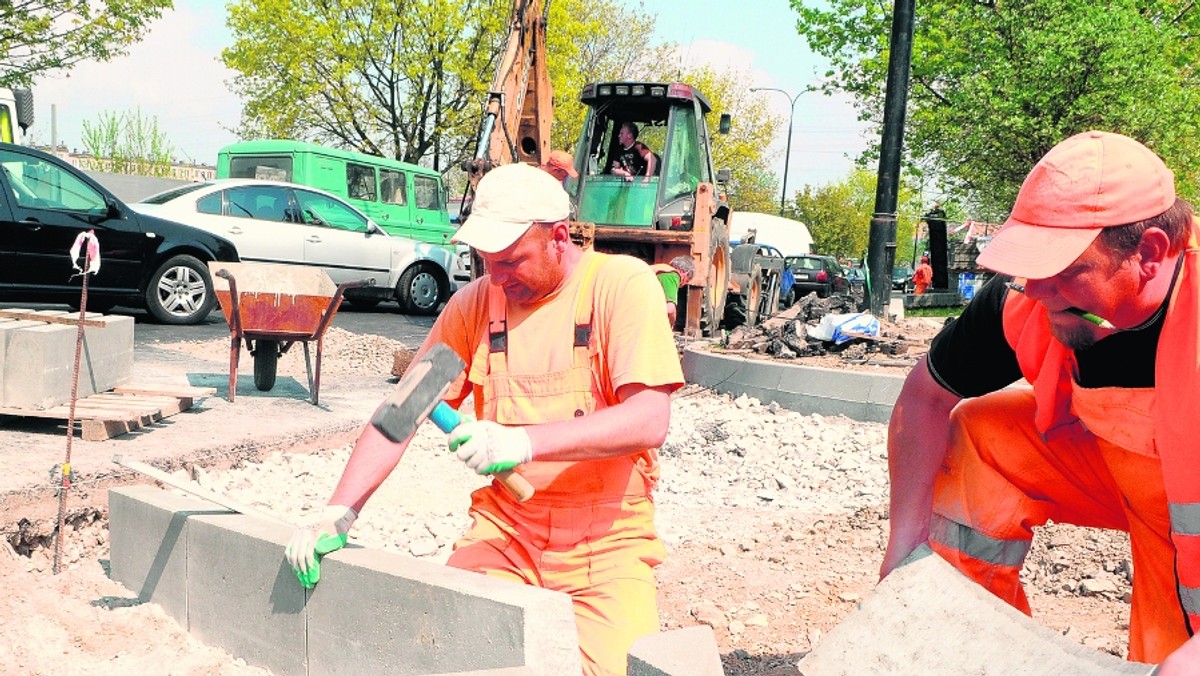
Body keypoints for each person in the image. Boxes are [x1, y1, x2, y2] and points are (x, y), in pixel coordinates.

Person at [285, 162, 685, 676]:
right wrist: (338, 511)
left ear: (558, 238)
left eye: (511, 261)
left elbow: (648, 418)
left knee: (610, 669)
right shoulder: (474, 305)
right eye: (484, 260)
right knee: (450, 651)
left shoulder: (621, 287)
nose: (495, 276)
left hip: (604, 542)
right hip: (506, 532)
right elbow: (400, 415)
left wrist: (522, 444)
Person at [880, 130, 1200, 672]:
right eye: (1032, 268)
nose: (1039, 291)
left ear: (1150, 253)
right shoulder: (1028, 299)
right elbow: (926, 397)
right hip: (1125, 475)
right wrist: (904, 547)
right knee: (983, 433)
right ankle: (966, 647)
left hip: (1184, 515)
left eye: (1068, 272)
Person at [651, 255, 695, 328]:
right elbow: (670, 309)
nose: (681, 285)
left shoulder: (661, 268)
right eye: (686, 281)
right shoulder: (672, 275)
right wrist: (670, 326)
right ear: (685, 274)